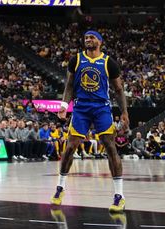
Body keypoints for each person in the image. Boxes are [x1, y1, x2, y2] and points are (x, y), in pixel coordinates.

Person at [50, 30, 128, 213]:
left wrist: (124, 112)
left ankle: (119, 196)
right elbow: (69, 85)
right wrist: (64, 105)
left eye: (92, 37)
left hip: (102, 108)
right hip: (81, 108)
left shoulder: (109, 62)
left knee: (110, 147)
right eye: (86, 37)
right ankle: (60, 188)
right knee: (70, 148)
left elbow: (118, 89)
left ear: (100, 41)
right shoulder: (76, 60)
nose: (88, 40)